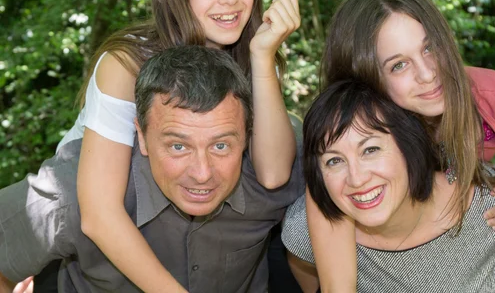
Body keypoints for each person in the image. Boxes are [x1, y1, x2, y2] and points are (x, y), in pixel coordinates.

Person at [54, 0, 300, 292]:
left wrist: (264, 56)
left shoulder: (253, 59)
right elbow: (98, 215)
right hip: (96, 249)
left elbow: (272, 174)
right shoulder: (126, 65)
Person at [305, 0, 495, 292]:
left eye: (431, 48)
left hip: (485, 226)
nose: (428, 73)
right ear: (365, 79)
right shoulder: (351, 141)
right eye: (399, 65)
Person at [0, 45, 305, 293]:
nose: (202, 173)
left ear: (248, 136)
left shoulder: (278, 167)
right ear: (141, 136)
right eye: (178, 146)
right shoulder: (74, 190)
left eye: (221, 146)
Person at [282, 79, 495, 293]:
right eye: (334, 160)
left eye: (371, 150)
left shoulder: (484, 200)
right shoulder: (306, 230)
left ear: (409, 147)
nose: (356, 178)